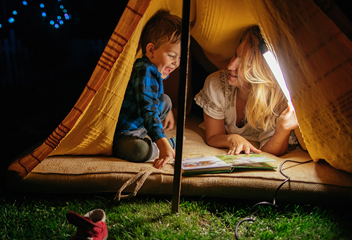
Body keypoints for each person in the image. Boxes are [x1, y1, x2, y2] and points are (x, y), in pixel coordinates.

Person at [194, 25, 299, 157]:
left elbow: (270, 152)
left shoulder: (274, 100)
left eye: (243, 63)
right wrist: (232, 138)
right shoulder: (217, 85)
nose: (230, 65)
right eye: (235, 55)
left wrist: (282, 130)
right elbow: (213, 135)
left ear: (261, 71)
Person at [113, 10, 181, 169]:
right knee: (139, 151)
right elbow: (148, 108)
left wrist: (168, 110)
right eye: (172, 55)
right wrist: (162, 142)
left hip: (140, 126)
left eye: (180, 57)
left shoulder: (154, 69)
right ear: (150, 50)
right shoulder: (144, 69)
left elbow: (154, 96)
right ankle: (164, 145)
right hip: (124, 133)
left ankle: (159, 142)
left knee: (166, 100)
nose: (176, 63)